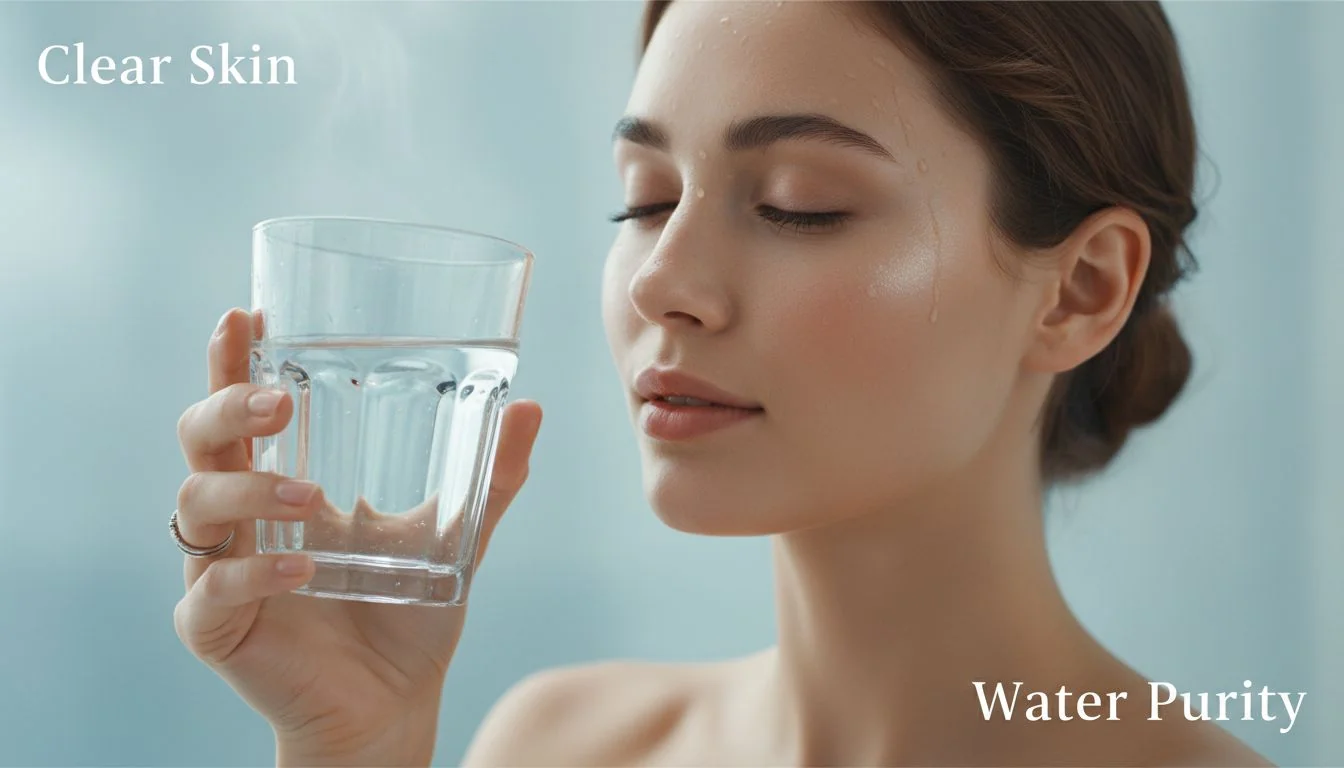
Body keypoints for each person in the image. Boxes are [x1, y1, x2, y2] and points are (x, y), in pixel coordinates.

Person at [170, 2, 1273, 765]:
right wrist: (356, 741)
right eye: (646, 200)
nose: (661, 281)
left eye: (799, 205)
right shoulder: (562, 748)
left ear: (1080, 289)